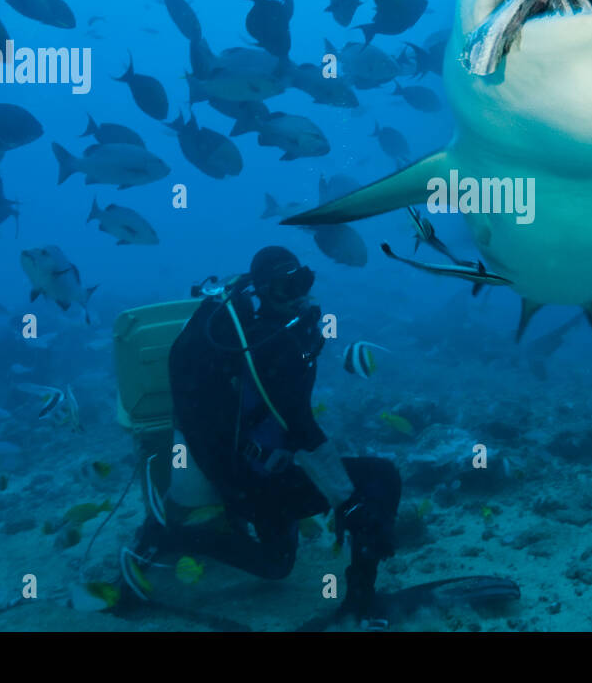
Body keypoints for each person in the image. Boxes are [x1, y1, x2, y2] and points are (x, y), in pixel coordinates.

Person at [119, 246, 402, 628]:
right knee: (383, 477)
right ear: (263, 292)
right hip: (254, 481)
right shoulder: (269, 346)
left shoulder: (267, 338)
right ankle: (359, 603)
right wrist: (347, 501)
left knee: (276, 564)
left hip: (246, 475)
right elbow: (303, 428)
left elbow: (285, 423)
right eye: (285, 288)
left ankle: (172, 537)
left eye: (301, 282)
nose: (299, 295)